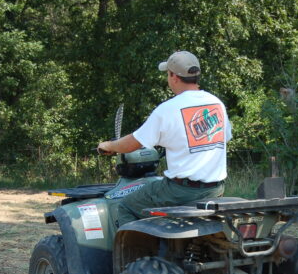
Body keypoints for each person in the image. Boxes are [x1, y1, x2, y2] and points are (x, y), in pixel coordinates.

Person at [97, 51, 231, 226]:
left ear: (173, 76)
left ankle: (138, 245)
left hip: (180, 191)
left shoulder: (168, 109)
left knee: (126, 206)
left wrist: (109, 145)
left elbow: (132, 143)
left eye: (168, 74)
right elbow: (223, 138)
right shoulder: (216, 103)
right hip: (215, 189)